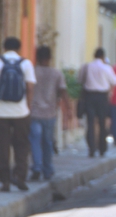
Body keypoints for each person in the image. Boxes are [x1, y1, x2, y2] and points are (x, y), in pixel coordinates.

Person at [0, 37, 36, 192]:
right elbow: (30, 87)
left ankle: (5, 182)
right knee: (22, 145)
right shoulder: (26, 63)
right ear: (19, 48)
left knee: (2, 146)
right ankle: (19, 176)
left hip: (1, 112)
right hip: (21, 112)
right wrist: (27, 105)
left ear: (4, 48)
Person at [29, 46, 69, 181]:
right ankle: (48, 169)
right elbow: (63, 92)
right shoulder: (56, 73)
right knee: (47, 142)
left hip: (33, 113)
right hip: (50, 113)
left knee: (34, 141)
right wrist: (68, 110)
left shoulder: (32, 71)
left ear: (37, 57)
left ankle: (37, 167)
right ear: (50, 58)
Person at [79, 48, 116, 158]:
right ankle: (102, 148)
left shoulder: (86, 67)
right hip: (102, 97)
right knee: (102, 123)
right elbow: (115, 81)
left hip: (89, 96)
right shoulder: (106, 68)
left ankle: (91, 148)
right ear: (103, 56)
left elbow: (80, 79)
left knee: (90, 123)